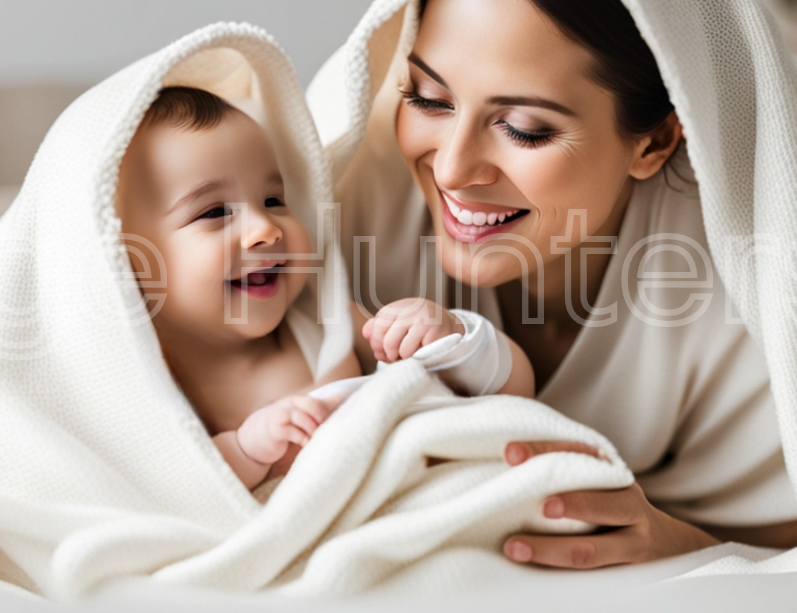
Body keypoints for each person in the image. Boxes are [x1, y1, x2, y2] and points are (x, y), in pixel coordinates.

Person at [310, 0, 797, 568]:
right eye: (429, 98)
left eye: (524, 128)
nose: (452, 167)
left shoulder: (748, 279)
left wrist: (683, 542)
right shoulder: (349, 203)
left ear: (653, 141)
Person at [116, 85, 534, 488]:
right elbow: (171, 490)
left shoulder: (325, 320)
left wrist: (448, 337)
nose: (265, 228)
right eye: (214, 211)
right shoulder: (153, 383)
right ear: (125, 260)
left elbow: (514, 389)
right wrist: (246, 449)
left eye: (273, 200)